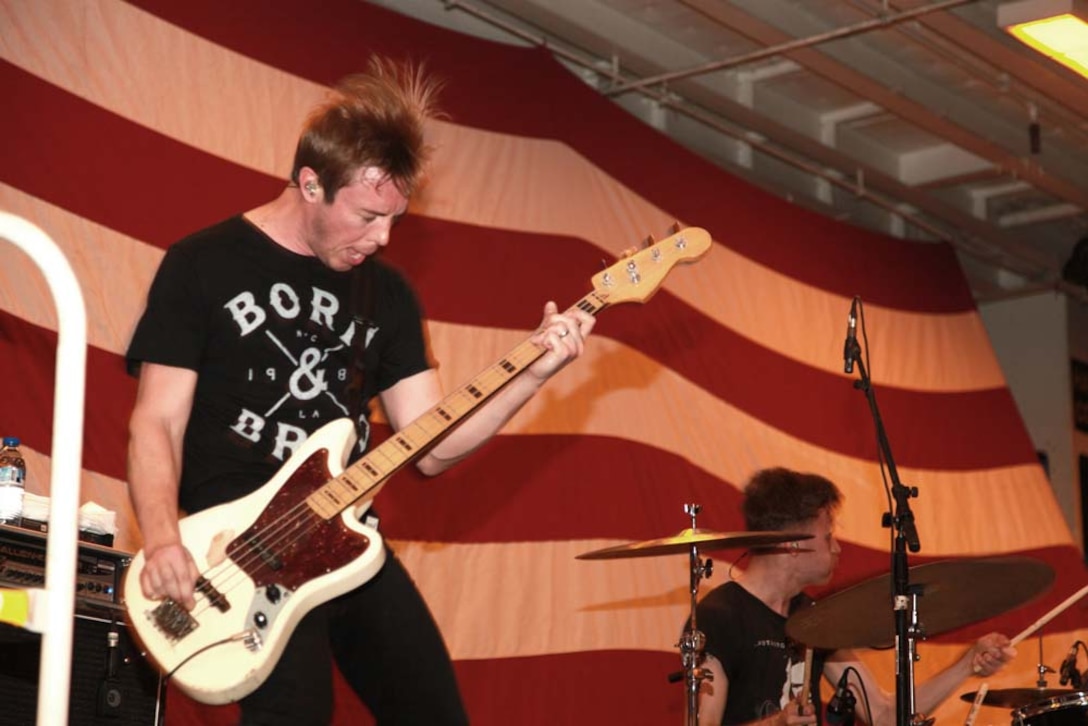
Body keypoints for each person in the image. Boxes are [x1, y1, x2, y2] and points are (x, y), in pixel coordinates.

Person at [124, 56, 594, 725]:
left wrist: (535, 375)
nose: (383, 238)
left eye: (397, 218)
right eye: (369, 215)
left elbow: (431, 445)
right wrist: (164, 538)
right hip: (236, 550)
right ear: (310, 184)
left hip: (343, 538)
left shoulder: (389, 295)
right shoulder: (203, 264)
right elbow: (156, 424)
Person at [692, 467, 1016, 725]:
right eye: (829, 535)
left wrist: (968, 664)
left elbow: (885, 715)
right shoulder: (720, 615)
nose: (838, 547)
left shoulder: (813, 618)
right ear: (792, 542)